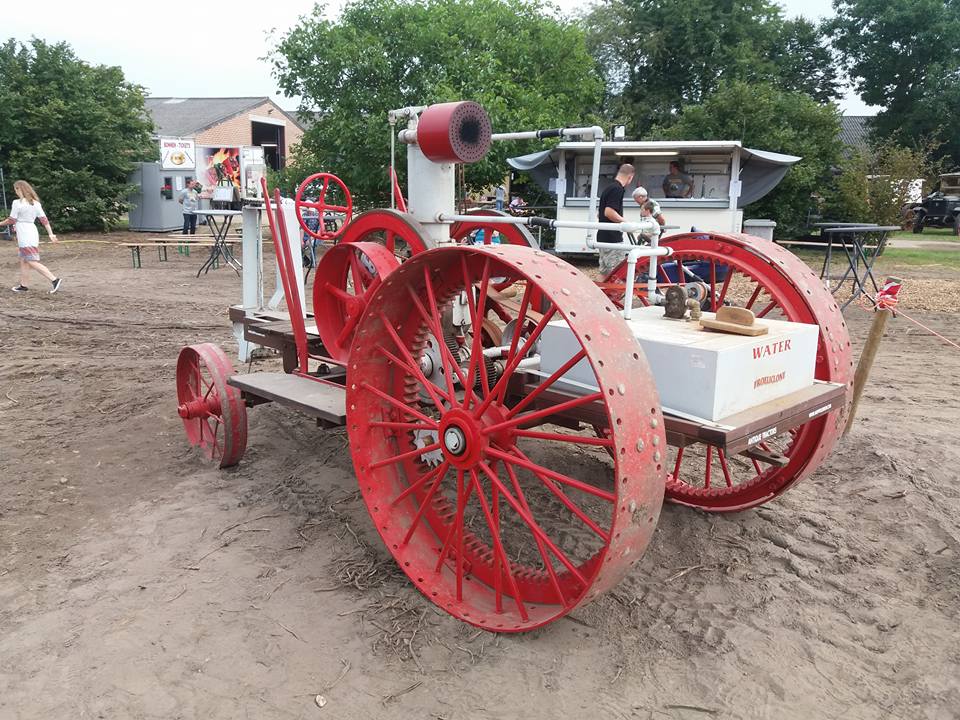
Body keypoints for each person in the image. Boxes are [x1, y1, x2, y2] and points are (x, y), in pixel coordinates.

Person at [0, 180, 62, 293]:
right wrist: (51, 234)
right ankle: (23, 286)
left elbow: (11, 220)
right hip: (32, 232)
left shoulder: (17, 203)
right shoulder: (36, 203)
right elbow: (44, 220)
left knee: (31, 261)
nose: (15, 192)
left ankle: (54, 279)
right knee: (24, 260)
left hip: (24, 234)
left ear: (19, 189)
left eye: (16, 189)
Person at [596, 163, 634, 277]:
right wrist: (626, 223)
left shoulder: (608, 188)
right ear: (630, 177)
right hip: (612, 239)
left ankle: (599, 294)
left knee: (604, 273)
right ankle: (611, 295)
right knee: (616, 273)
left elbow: (600, 214)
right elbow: (609, 212)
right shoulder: (618, 189)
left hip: (602, 237)